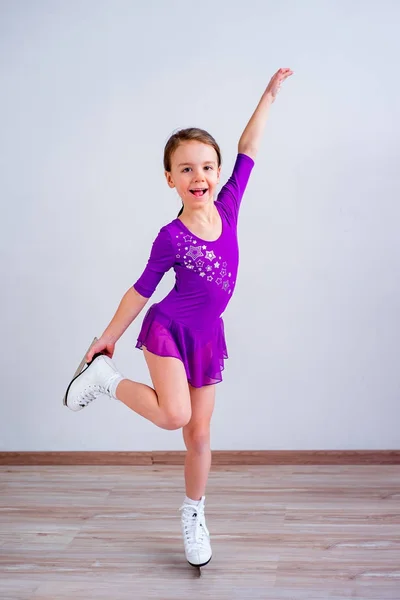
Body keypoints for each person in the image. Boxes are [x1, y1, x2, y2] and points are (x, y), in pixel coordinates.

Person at [64, 67, 293, 570]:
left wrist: (268, 97)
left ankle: (194, 515)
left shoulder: (229, 207)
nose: (200, 177)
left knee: (201, 437)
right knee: (175, 416)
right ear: (170, 179)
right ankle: (104, 379)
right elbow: (142, 290)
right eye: (186, 169)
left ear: (217, 173)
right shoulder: (171, 236)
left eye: (207, 167)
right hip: (167, 332)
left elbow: (249, 146)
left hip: (208, 338)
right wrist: (107, 338)